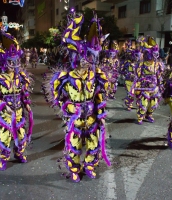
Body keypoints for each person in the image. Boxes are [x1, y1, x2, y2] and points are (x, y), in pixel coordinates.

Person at [42, 10, 110, 182]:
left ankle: (90, 165)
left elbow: (100, 95)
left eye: (89, 59)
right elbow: (57, 98)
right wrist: (67, 107)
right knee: (75, 145)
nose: (86, 62)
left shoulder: (96, 75)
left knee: (94, 143)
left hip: (92, 116)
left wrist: (100, 113)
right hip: (76, 117)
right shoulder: (65, 77)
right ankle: (74, 168)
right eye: (83, 58)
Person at [0, 30, 33, 170]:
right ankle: (4, 158)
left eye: (16, 62)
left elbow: (24, 93)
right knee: (5, 137)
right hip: (6, 114)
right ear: (6, 63)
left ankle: (19, 154)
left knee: (21, 135)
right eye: (11, 63)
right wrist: (4, 107)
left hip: (18, 113)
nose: (14, 65)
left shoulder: (21, 77)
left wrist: (27, 105)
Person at [135, 36, 164, 124]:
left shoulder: (158, 64)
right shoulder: (142, 64)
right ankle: (140, 116)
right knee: (144, 103)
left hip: (154, 86)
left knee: (153, 104)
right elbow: (138, 75)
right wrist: (139, 83)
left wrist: (161, 84)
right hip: (145, 86)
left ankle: (149, 115)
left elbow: (159, 75)